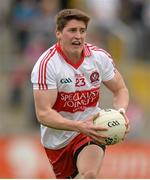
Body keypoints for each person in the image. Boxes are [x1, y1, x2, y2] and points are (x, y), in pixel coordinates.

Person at [31, 8, 130, 179]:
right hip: (57, 140)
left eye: (82, 31)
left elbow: (120, 89)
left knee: (89, 174)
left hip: (90, 131)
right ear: (59, 33)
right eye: (72, 30)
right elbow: (43, 114)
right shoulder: (47, 65)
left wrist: (121, 112)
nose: (78, 36)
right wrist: (78, 126)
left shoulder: (99, 58)